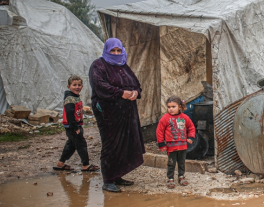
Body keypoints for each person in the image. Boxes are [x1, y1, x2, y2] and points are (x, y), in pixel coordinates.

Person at [89, 38, 145, 193]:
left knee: (124, 143)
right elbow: (99, 85)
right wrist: (121, 93)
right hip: (108, 113)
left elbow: (136, 85)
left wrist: (135, 93)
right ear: (106, 50)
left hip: (126, 112)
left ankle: (118, 175)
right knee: (111, 144)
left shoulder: (123, 66)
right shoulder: (98, 65)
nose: (115, 53)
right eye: (112, 50)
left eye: (118, 50)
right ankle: (108, 180)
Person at [54, 75, 100, 172]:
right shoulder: (70, 98)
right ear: (69, 86)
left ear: (82, 86)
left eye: (79, 85)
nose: (77, 87)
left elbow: (75, 110)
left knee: (71, 144)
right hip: (73, 126)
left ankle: (60, 163)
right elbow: (70, 113)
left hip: (74, 125)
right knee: (81, 144)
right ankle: (85, 165)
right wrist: (75, 127)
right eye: (74, 85)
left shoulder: (74, 97)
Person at [156, 96, 196, 188]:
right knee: (171, 163)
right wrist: (161, 144)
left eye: (173, 107)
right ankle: (170, 179)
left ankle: (181, 176)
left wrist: (191, 137)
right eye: (169, 107)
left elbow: (191, 127)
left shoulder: (185, 117)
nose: (171, 109)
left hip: (183, 146)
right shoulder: (165, 118)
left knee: (181, 162)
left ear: (180, 107)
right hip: (171, 146)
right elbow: (159, 131)